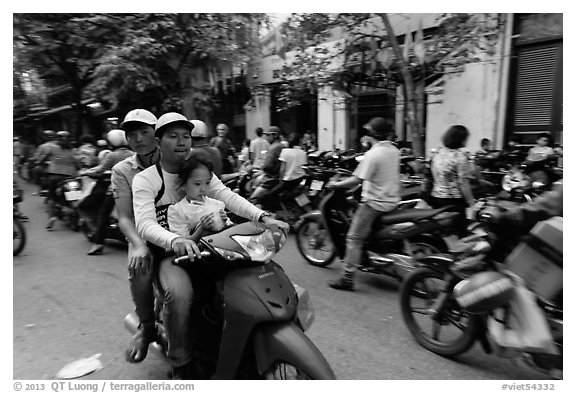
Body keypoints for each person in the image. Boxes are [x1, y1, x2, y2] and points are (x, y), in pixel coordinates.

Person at [132, 112, 288, 379]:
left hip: (211, 246)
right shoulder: (146, 180)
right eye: (173, 136)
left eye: (186, 137)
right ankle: (181, 362)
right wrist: (176, 240)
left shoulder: (198, 170)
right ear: (158, 141)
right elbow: (145, 224)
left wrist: (262, 216)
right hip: (170, 253)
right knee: (179, 295)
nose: (182, 142)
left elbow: (227, 196)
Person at [109, 109, 160, 365]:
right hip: (143, 234)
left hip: (181, 229)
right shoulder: (122, 170)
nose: (138, 138)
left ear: (156, 133)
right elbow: (125, 217)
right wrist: (139, 245)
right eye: (132, 134)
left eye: (144, 132)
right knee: (139, 268)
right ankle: (147, 326)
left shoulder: (177, 157)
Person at [327, 117, 401, 291]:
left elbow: (356, 179)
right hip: (392, 200)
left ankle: (347, 277)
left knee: (353, 238)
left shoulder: (373, 154)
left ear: (370, 134)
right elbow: (374, 177)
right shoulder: (394, 150)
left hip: (375, 203)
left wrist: (335, 184)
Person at [80, 129, 135, 255]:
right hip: (136, 188)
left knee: (104, 214)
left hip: (117, 189)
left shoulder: (112, 155)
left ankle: (98, 244)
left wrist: (85, 172)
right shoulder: (133, 154)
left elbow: (100, 170)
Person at [167, 156, 233, 240]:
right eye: (197, 184)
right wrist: (201, 229)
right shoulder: (178, 211)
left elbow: (230, 232)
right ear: (183, 184)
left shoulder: (217, 204)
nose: (203, 189)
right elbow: (182, 244)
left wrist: (224, 222)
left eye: (207, 183)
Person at [429, 125, 476, 234]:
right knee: (457, 230)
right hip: (453, 200)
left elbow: (433, 173)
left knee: (440, 229)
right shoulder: (460, 156)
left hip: (436, 197)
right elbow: (463, 183)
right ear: (461, 139)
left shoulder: (437, 152)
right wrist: (472, 203)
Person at [38, 131, 81, 230]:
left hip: (54, 176)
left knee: (52, 198)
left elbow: (43, 159)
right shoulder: (73, 150)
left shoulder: (52, 148)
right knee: (74, 196)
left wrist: (40, 164)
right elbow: (78, 164)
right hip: (70, 176)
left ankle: (51, 218)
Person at [265, 132, 308, 208]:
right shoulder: (303, 153)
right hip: (300, 179)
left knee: (270, 194)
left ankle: (277, 210)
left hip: (288, 180)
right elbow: (303, 166)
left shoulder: (285, 151)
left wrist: (280, 180)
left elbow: (282, 168)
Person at [248, 126, 284, 207]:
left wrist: (260, 167)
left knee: (252, 201)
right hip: (279, 178)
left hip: (270, 180)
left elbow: (267, 166)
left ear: (275, 135)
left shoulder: (273, 147)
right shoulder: (282, 146)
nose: (266, 137)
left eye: (268, 135)